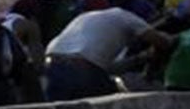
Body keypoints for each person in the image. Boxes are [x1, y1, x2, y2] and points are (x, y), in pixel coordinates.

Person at [43, 6, 171, 101]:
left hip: (53, 65)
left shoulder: (88, 18)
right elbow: (162, 42)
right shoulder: (126, 16)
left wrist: (139, 58)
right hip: (81, 67)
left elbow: (107, 69)